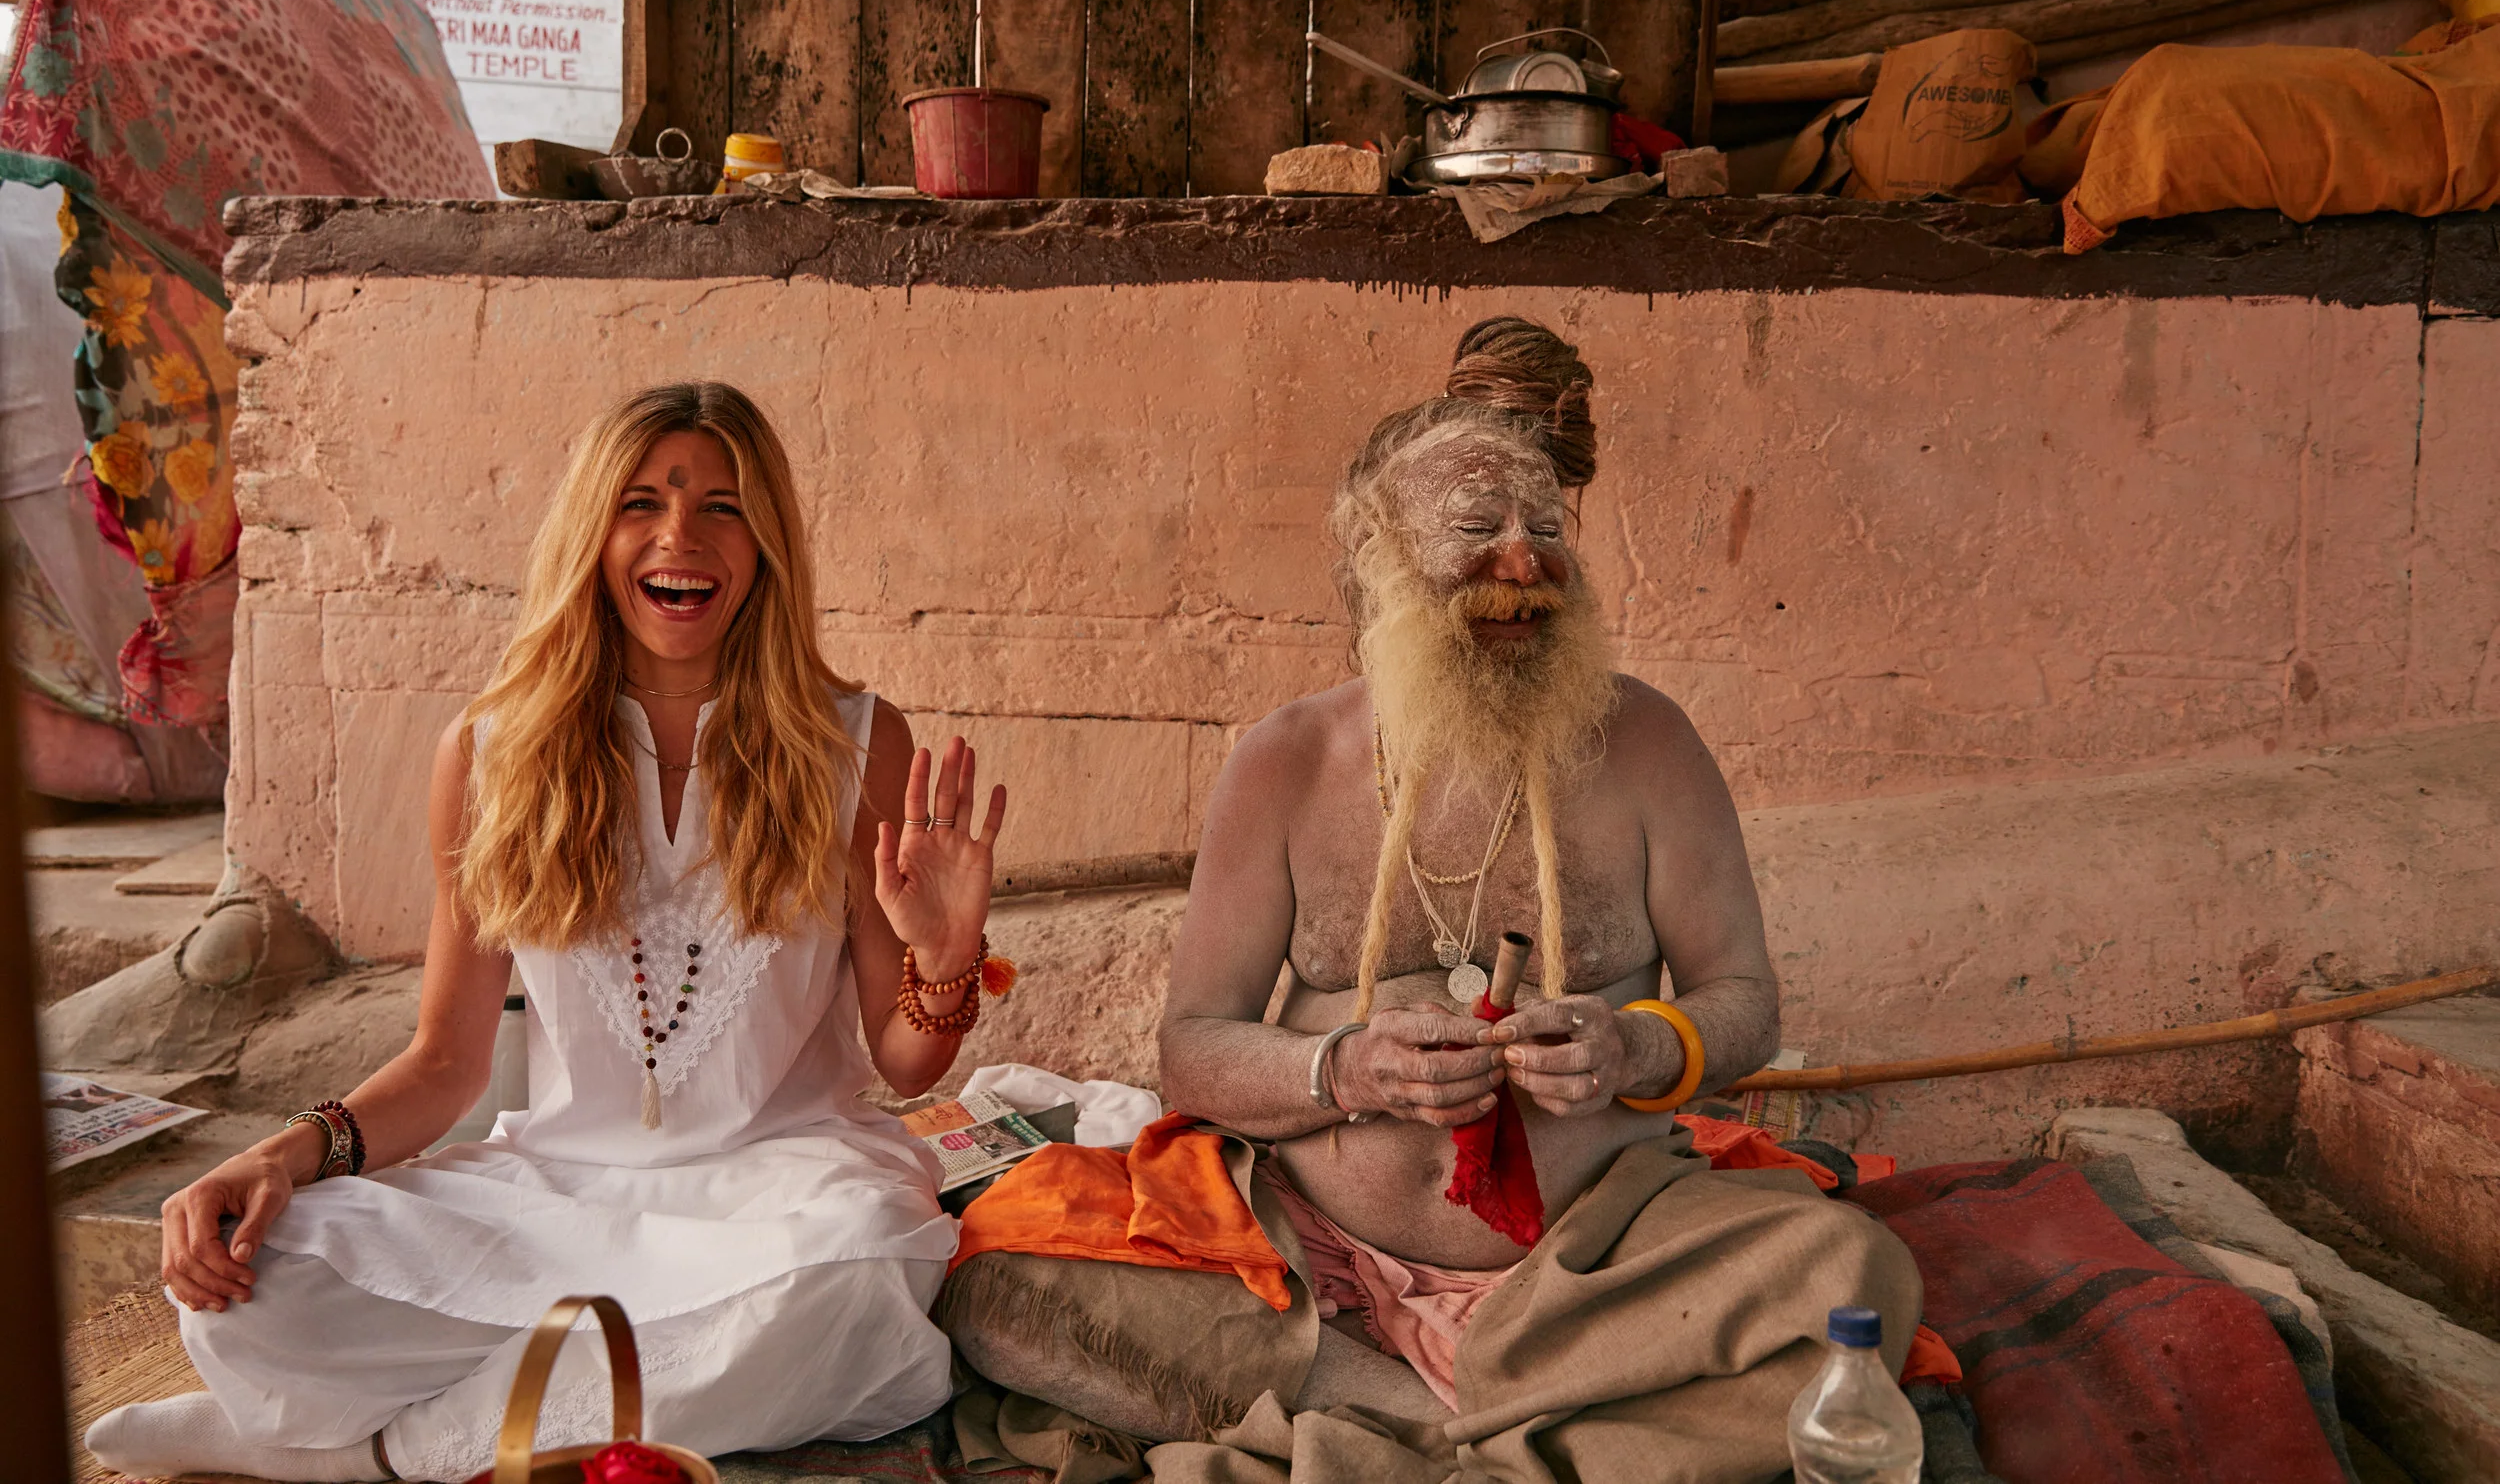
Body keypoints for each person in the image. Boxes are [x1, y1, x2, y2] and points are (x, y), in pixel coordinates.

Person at [947, 320, 1919, 1482]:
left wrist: (1634, 1046)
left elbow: (1743, 1002)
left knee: (1853, 1275)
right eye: (1476, 529)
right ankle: (1508, 1437)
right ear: (1381, 564)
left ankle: (1383, 1442)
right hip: (1307, 1267)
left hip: (1593, 1266)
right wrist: (1345, 1071)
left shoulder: (1649, 743)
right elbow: (1193, 1053)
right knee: (1000, 1278)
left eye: (1546, 529)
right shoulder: (1286, 760)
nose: (1526, 560)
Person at [87, 382, 1010, 1482]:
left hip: (785, 1194)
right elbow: (443, 1064)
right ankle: (614, 1385)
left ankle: (373, 1453)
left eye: (724, 505)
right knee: (255, 1282)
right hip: (553, 1196)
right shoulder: (491, 751)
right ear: (593, 531)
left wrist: (945, 961)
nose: (681, 536)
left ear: (766, 545)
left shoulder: (857, 740)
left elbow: (902, 1059)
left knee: (862, 1280)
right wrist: (272, 1155)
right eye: (642, 502)